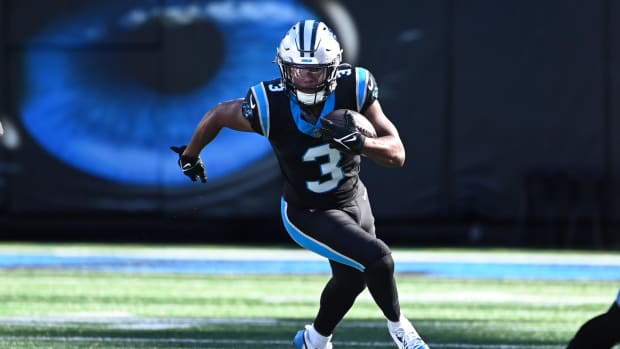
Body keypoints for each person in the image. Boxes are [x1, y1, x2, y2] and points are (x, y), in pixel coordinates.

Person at [171, 19, 430, 349]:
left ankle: (314, 340)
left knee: (351, 279)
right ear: (284, 68)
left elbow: (397, 153)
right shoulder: (269, 104)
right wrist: (190, 155)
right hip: (308, 210)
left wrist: (362, 144)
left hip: (354, 199)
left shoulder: (356, 86)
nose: (306, 78)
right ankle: (402, 332)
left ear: (334, 68)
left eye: (316, 70)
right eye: (298, 69)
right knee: (378, 259)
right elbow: (220, 114)